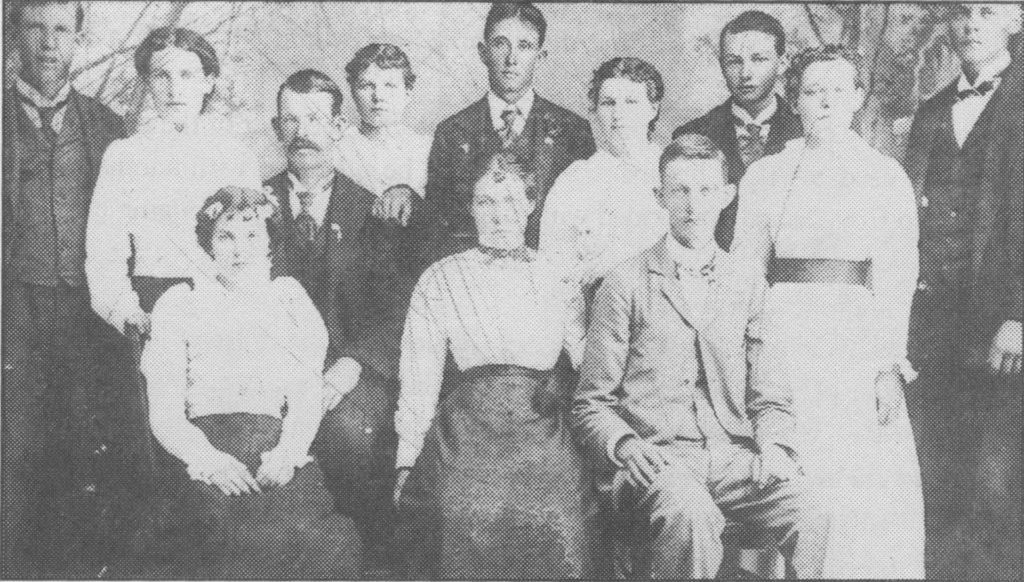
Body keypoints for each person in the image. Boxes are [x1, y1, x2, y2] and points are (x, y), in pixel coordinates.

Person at [572, 134, 828, 579]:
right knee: (693, 516)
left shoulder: (747, 281)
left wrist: (772, 444)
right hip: (656, 458)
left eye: (706, 191)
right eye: (680, 191)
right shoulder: (624, 283)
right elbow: (590, 404)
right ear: (660, 197)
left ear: (727, 196)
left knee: (810, 511)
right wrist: (627, 445)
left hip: (732, 456)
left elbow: (771, 394)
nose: (693, 206)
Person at [732, 45, 924, 578]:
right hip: (782, 332)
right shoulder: (766, 176)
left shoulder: (885, 177)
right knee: (792, 464)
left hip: (852, 337)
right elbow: (747, 270)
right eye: (812, 91)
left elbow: (895, 278)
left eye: (838, 91)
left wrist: (888, 365)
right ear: (794, 100)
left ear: (858, 98)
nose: (824, 103)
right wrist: (745, 352)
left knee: (855, 478)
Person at [139, 187, 362, 579]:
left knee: (316, 535)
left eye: (252, 236)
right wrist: (208, 460)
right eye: (226, 237)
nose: (239, 250)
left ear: (270, 243)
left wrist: (288, 453)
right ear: (209, 243)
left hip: (272, 444)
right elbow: (165, 413)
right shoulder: (179, 303)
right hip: (206, 444)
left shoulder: (289, 299)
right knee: (224, 534)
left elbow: (306, 397)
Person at [392, 153, 595, 579]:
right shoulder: (441, 277)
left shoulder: (558, 276)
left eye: (510, 201)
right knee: (457, 510)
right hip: (468, 421)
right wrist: (407, 459)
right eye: (486, 202)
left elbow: (588, 360)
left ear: (529, 205)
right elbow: (419, 375)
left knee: (559, 511)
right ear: (471, 207)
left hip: (542, 419)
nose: (499, 215)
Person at [1, 1, 126, 577]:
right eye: (35, 29)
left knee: (84, 437)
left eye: (61, 31)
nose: (48, 43)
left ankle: (78, 568)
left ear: (78, 40)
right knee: (16, 440)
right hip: (13, 305)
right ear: (14, 34)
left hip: (84, 308)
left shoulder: (104, 125)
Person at [263, 68, 413, 549]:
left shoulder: (371, 210)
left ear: (338, 127)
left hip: (351, 371)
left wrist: (352, 365)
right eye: (290, 120)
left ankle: (362, 554)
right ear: (276, 128)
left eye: (315, 118)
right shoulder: (252, 209)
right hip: (274, 369)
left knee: (349, 435)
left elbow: (398, 310)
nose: (303, 132)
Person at [903, 4, 1022, 577]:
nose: (971, 23)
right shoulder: (930, 112)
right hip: (930, 327)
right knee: (935, 479)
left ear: (1015, 22)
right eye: (960, 11)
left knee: (999, 485)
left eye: (987, 9)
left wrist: (1019, 314)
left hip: (1001, 329)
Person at [86, 26, 261, 334]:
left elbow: (254, 244)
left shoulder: (236, 154)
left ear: (208, 82)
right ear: (147, 82)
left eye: (186, 75)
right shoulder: (125, 155)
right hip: (152, 303)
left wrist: (242, 305)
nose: (173, 89)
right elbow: (104, 249)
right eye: (161, 76)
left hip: (221, 300)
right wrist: (125, 309)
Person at [421, 2, 594, 263]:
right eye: (501, 43)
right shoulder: (453, 131)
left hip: (547, 279)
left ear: (541, 55)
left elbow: (586, 219)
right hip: (472, 280)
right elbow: (436, 222)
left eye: (524, 46)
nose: (511, 59)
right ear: (483, 52)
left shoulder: (573, 130)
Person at [672, 10, 802, 250]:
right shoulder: (694, 135)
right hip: (715, 272)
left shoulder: (805, 133)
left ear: (782, 63)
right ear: (722, 65)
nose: (745, 73)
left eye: (759, 59)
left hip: (786, 276)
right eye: (734, 61)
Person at [539, 57, 668, 299]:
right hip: (588, 318)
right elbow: (552, 267)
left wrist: (610, 263)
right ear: (596, 111)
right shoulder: (575, 181)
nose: (618, 114)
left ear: (653, 108)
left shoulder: (673, 174)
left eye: (631, 102)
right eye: (608, 103)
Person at [335, 43, 430, 228]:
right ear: (353, 93)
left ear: (408, 93)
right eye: (366, 86)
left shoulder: (427, 149)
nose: (378, 96)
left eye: (390, 85)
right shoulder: (337, 150)